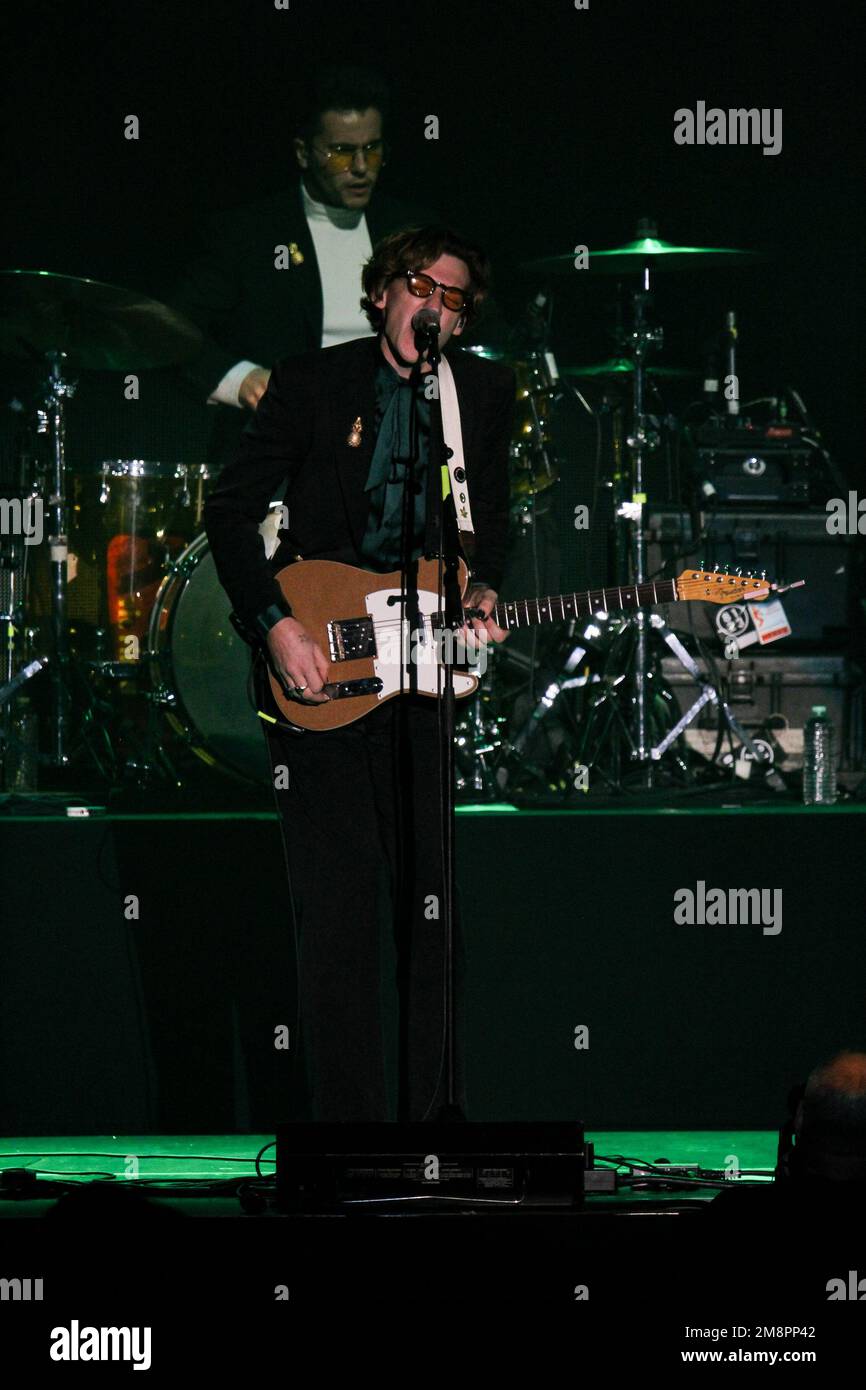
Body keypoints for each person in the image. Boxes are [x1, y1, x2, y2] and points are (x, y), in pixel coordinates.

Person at [203, 226, 514, 1122]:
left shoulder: (482, 394)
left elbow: (487, 519)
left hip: (424, 676)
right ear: (383, 292)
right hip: (323, 666)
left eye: (455, 298)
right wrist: (274, 627)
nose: (437, 306)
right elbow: (229, 510)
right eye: (423, 286)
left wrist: (486, 587)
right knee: (338, 919)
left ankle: (433, 1131)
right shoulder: (312, 382)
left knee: (432, 912)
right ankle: (345, 1138)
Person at [171, 64, 434, 467]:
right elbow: (173, 331)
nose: (361, 167)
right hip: (284, 459)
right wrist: (243, 379)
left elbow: (478, 328)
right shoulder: (248, 234)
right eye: (342, 152)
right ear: (303, 152)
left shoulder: (411, 231)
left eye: (373, 149)